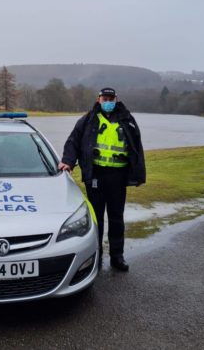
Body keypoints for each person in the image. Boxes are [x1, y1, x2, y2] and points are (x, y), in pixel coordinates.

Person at [59, 87, 145, 272]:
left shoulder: (127, 119)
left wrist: (138, 173)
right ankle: (95, 257)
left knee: (116, 218)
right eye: (105, 98)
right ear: (99, 99)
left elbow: (136, 145)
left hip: (118, 177)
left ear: (116, 99)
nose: (108, 101)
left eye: (111, 98)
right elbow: (74, 140)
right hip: (95, 176)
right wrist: (68, 161)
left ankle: (117, 257)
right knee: (96, 219)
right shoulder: (89, 119)